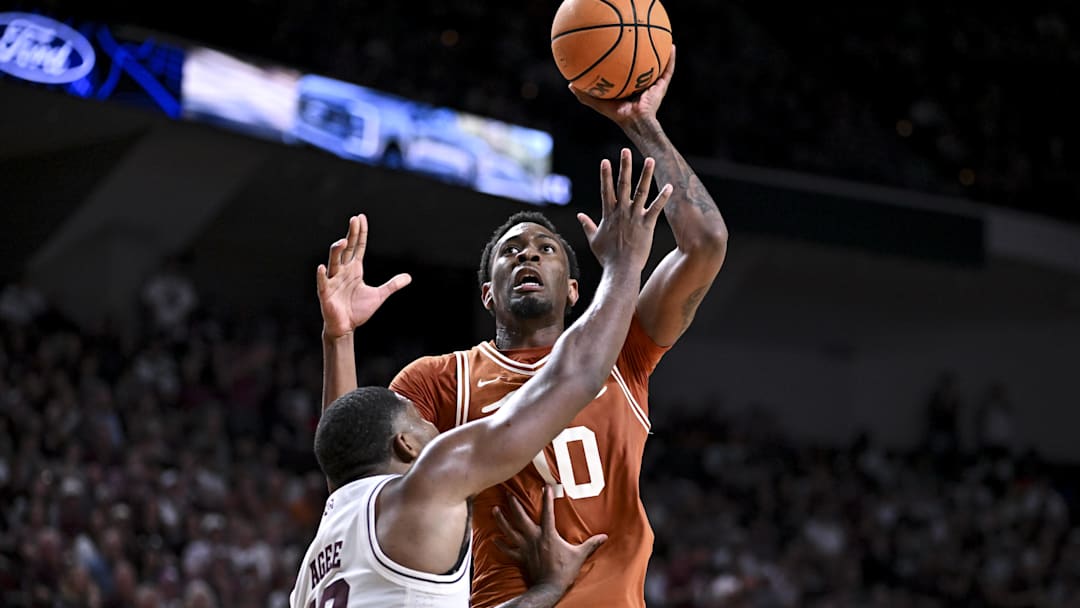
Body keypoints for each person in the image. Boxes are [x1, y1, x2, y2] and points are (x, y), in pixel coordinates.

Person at [320, 48, 728, 607]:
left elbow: (706, 244)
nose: (528, 256)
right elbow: (355, 470)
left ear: (576, 289)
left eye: (545, 249)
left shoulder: (625, 347)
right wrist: (339, 337)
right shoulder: (441, 379)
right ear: (489, 292)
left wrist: (642, 125)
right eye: (511, 253)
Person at [292, 156, 673, 607]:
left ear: (571, 288)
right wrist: (624, 265)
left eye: (545, 249)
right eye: (423, 423)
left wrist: (339, 338)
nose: (440, 433)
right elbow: (579, 375)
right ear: (408, 445)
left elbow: (351, 451)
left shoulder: (319, 561)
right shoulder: (435, 462)